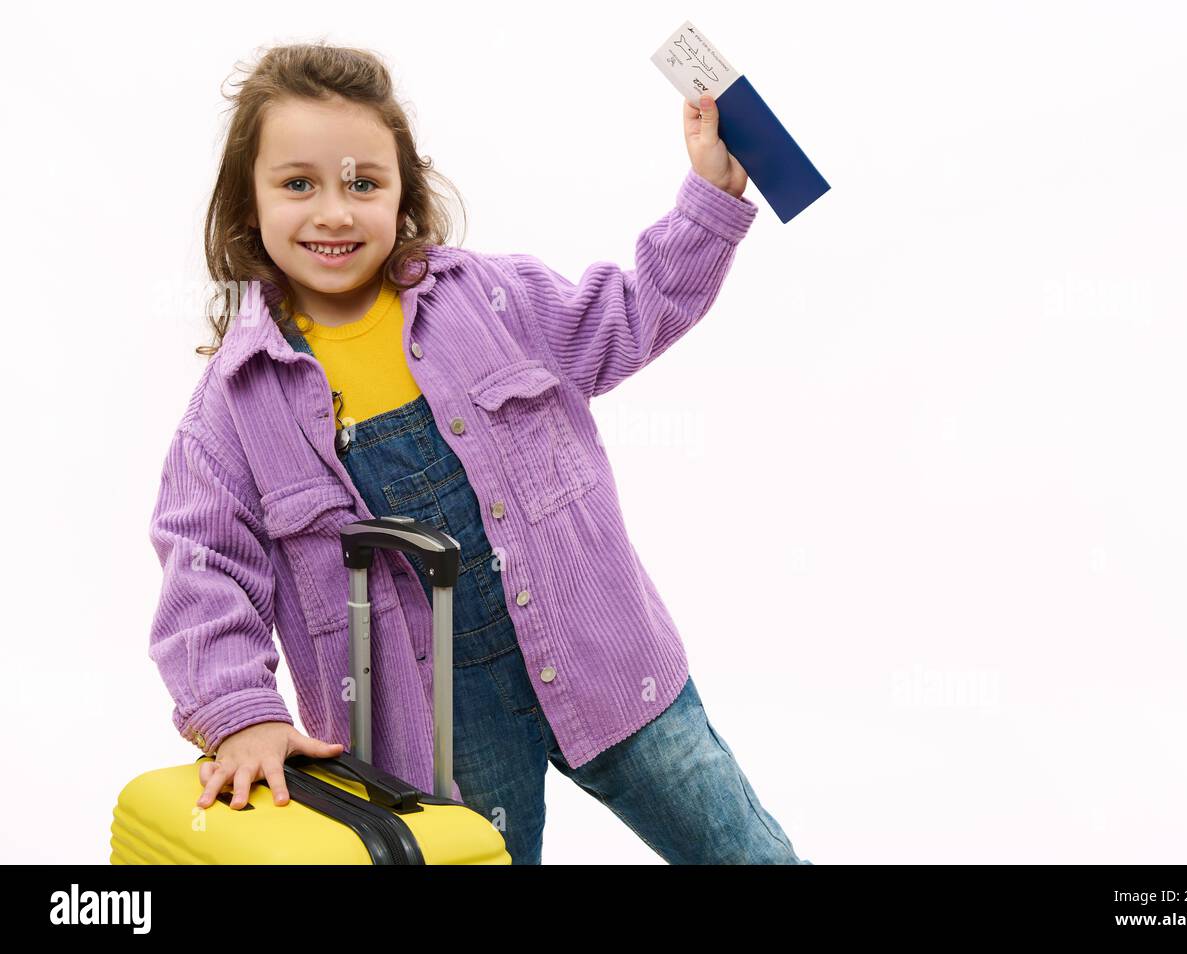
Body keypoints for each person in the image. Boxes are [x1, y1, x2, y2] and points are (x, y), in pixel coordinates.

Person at [148, 41, 810, 864]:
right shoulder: (233, 409)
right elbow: (203, 568)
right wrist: (242, 713)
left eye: (363, 182)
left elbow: (628, 315)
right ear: (247, 206)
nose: (333, 212)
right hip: (435, 741)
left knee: (746, 852)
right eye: (297, 184)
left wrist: (709, 198)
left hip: (606, 658)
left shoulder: (487, 301)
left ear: (404, 194)